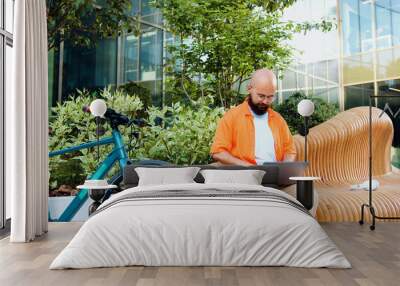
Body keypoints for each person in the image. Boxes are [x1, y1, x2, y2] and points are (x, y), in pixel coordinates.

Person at [210, 68, 296, 166]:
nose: (265, 101)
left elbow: (290, 150)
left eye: (270, 97)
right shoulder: (232, 117)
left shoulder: (278, 120)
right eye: (261, 96)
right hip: (244, 177)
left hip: (275, 178)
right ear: (249, 88)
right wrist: (247, 167)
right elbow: (218, 152)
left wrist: (284, 168)